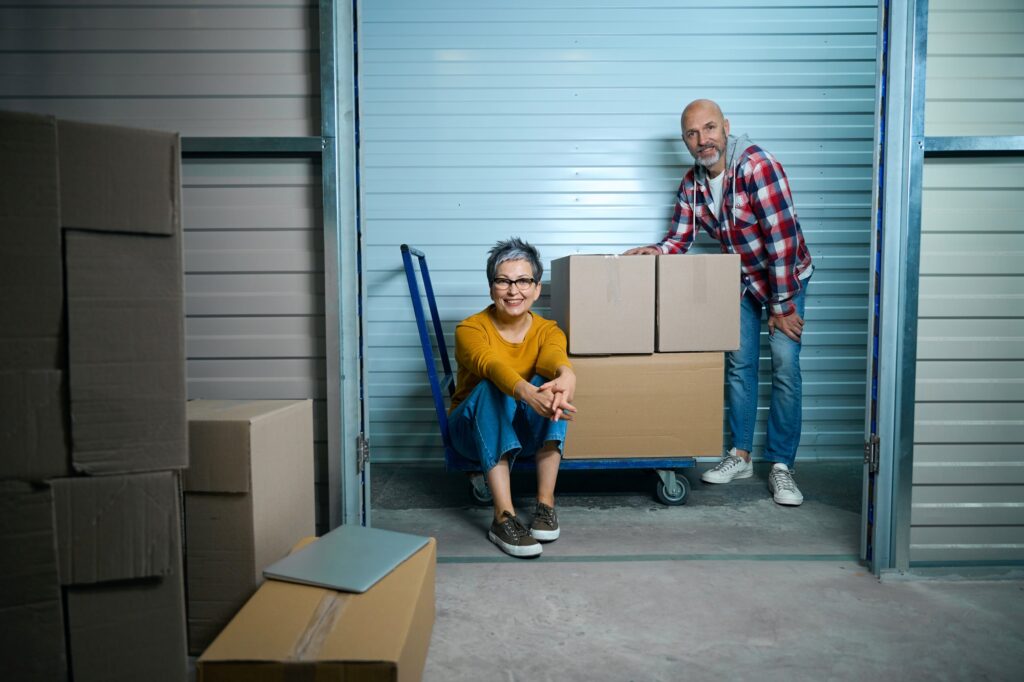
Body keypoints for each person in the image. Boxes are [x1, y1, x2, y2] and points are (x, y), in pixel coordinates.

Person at [625, 98, 813, 506]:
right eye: (692, 133)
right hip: (744, 280)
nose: (702, 140)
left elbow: (783, 244)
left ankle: (782, 465)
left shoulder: (756, 166)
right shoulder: (693, 183)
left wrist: (781, 307)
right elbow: (680, 237)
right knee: (740, 364)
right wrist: (656, 252)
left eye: (709, 128)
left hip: (785, 280)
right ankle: (740, 455)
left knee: (784, 365)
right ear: (685, 140)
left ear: (726, 127)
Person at [448, 237, 577, 557]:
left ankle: (545, 506)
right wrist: (526, 393)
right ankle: (503, 517)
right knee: (491, 388)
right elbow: (490, 366)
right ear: (491, 287)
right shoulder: (470, 329)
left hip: (521, 430)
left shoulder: (549, 329)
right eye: (503, 281)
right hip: (471, 432)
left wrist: (567, 376)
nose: (513, 290)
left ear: (536, 288)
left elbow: (554, 356)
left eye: (523, 281)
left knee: (552, 384)